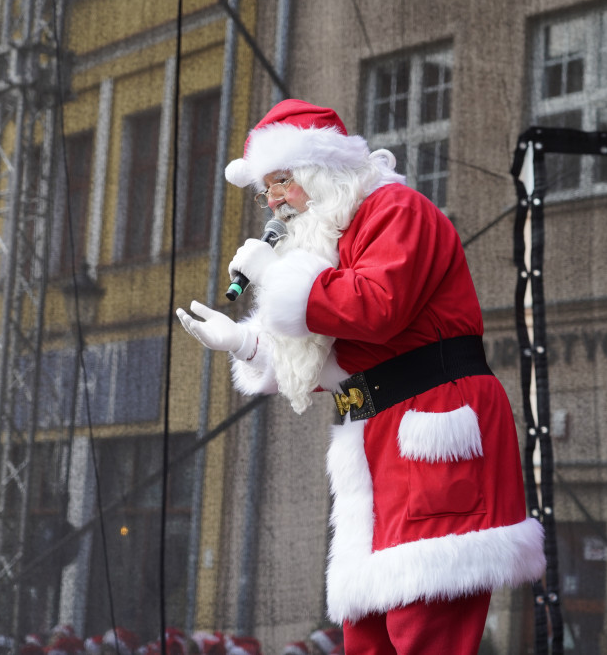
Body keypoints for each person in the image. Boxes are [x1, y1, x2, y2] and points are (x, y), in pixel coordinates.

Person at [177, 99, 545, 654]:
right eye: (265, 189)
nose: (272, 201)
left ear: (322, 171)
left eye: (281, 182)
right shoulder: (337, 240)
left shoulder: (398, 210)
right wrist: (247, 343)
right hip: (378, 443)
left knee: (423, 630)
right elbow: (335, 357)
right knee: (368, 637)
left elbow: (376, 308)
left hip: (432, 428)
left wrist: (277, 276)